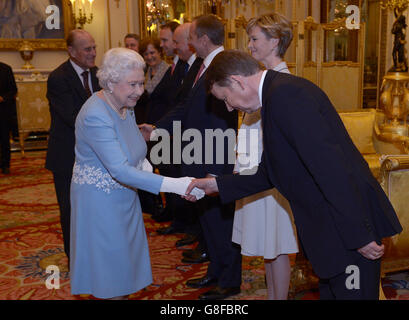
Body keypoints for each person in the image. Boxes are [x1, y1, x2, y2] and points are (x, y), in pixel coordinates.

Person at [185, 49, 403, 300]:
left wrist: (360, 236)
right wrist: (216, 185)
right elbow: (270, 171)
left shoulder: (286, 96)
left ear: (237, 81)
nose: (229, 107)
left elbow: (333, 170)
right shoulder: (275, 97)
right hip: (333, 232)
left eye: (225, 98)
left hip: (348, 231)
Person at [70, 47, 204, 300]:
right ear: (110, 82)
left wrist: (144, 163)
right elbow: (120, 169)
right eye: (132, 84)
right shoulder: (95, 115)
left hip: (125, 197)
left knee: (124, 264)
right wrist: (177, 185)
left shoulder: (125, 104)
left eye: (141, 83)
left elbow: (133, 149)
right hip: (100, 202)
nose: (139, 91)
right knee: (110, 270)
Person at [140, 14, 241, 300]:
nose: (187, 41)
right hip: (197, 152)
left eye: (192, 36)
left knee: (221, 222)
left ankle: (229, 279)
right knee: (208, 220)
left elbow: (223, 120)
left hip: (213, 156)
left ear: (204, 39)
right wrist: (158, 128)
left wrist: (213, 169)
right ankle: (216, 270)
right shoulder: (203, 64)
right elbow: (186, 107)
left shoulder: (223, 66)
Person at [232, 13, 298, 300]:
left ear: (275, 42)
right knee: (268, 245)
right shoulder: (263, 80)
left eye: (255, 39)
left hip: (272, 175)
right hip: (255, 173)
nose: (249, 45)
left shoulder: (283, 84)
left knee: (278, 242)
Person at [46, 29, 100, 262]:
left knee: (95, 208)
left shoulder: (99, 75)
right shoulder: (58, 78)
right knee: (71, 210)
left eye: (94, 47)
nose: (93, 53)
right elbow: (74, 117)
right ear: (71, 51)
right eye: (87, 49)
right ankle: (76, 258)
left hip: (96, 155)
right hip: (67, 156)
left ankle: (96, 252)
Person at [0, 62, 17, 175]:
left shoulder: (6, 69)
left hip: (2, 111)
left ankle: (5, 164)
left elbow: (13, 90)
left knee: (4, 139)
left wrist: (2, 98)